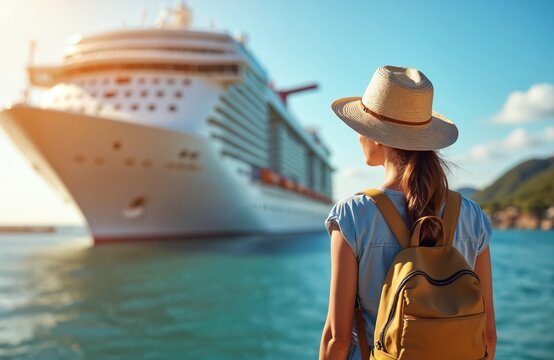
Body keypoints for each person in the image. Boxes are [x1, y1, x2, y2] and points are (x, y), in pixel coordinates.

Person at [319, 65, 497, 359]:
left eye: (360, 128)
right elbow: (487, 334)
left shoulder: (352, 215)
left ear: (376, 136)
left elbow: (337, 339)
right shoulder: (472, 215)